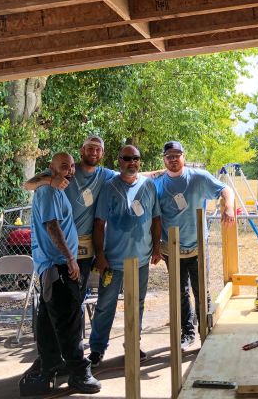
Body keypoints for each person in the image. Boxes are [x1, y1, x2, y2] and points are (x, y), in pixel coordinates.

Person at [30, 152, 101, 393]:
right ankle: (79, 373)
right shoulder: (48, 190)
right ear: (51, 168)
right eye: (64, 166)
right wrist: (70, 259)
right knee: (69, 318)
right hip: (57, 265)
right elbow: (52, 226)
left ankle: (51, 364)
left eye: (71, 166)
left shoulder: (55, 189)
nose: (70, 170)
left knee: (49, 320)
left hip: (53, 265)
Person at [154, 141, 235, 350]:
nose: (173, 159)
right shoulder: (158, 184)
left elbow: (225, 189)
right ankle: (187, 334)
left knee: (202, 291)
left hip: (198, 246)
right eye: (169, 156)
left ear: (184, 156)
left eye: (177, 155)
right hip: (171, 250)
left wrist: (229, 207)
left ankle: (206, 333)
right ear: (164, 159)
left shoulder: (198, 178)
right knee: (180, 292)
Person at [88, 145, 162, 366]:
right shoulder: (109, 188)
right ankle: (97, 349)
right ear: (119, 161)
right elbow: (99, 224)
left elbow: (156, 219)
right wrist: (100, 255)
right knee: (105, 305)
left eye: (136, 158)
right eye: (127, 158)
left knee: (137, 304)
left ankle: (132, 343)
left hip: (140, 259)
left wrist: (156, 248)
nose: (132, 162)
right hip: (113, 261)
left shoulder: (149, 186)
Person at [24, 136, 117, 306]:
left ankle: (74, 331)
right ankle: (68, 331)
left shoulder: (105, 175)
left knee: (77, 298)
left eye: (98, 149)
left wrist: (163, 172)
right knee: (63, 302)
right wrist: (50, 180)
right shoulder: (62, 168)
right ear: (82, 150)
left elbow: (130, 176)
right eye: (90, 148)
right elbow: (27, 185)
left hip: (85, 248)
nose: (94, 152)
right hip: (60, 252)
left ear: (103, 153)